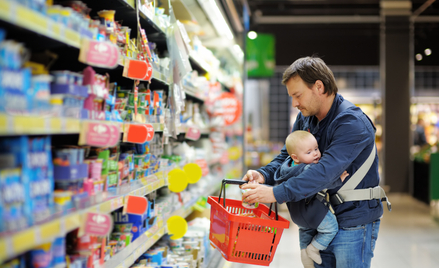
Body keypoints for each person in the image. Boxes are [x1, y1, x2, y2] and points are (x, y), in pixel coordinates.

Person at [241, 56, 385, 268]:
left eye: (297, 95)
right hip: (318, 216)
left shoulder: (351, 122)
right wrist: (263, 174)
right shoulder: (305, 118)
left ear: (319, 86)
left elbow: (325, 172)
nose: (294, 103)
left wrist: (274, 193)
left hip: (353, 220)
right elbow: (287, 156)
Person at [277, 130, 349, 266]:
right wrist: (338, 180)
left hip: (297, 215)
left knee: (305, 231)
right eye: (309, 152)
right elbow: (322, 182)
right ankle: (314, 248)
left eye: (316, 149)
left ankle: (305, 253)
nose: (315, 153)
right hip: (314, 212)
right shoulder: (308, 170)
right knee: (331, 229)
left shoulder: (286, 168)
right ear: (296, 157)